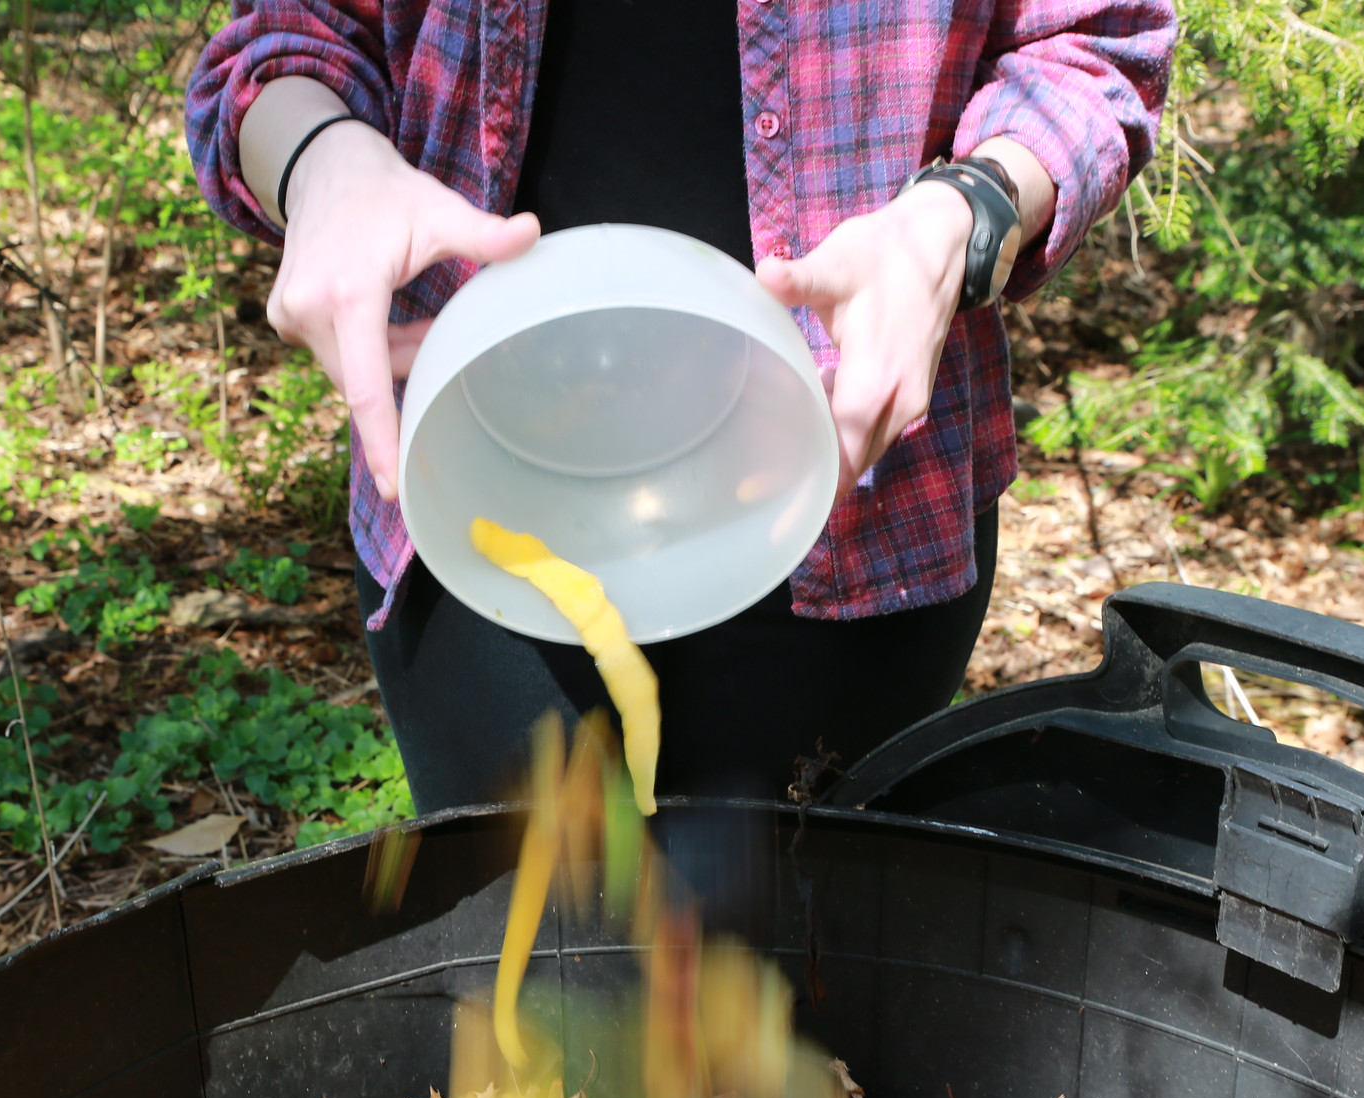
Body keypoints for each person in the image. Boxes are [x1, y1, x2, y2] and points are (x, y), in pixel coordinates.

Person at [187, 0, 1176, 813]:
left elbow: (1091, 48)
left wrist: (965, 212)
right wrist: (320, 160)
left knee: (815, 1010)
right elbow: (291, 39)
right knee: (523, 1004)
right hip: (475, 497)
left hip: (848, 495)